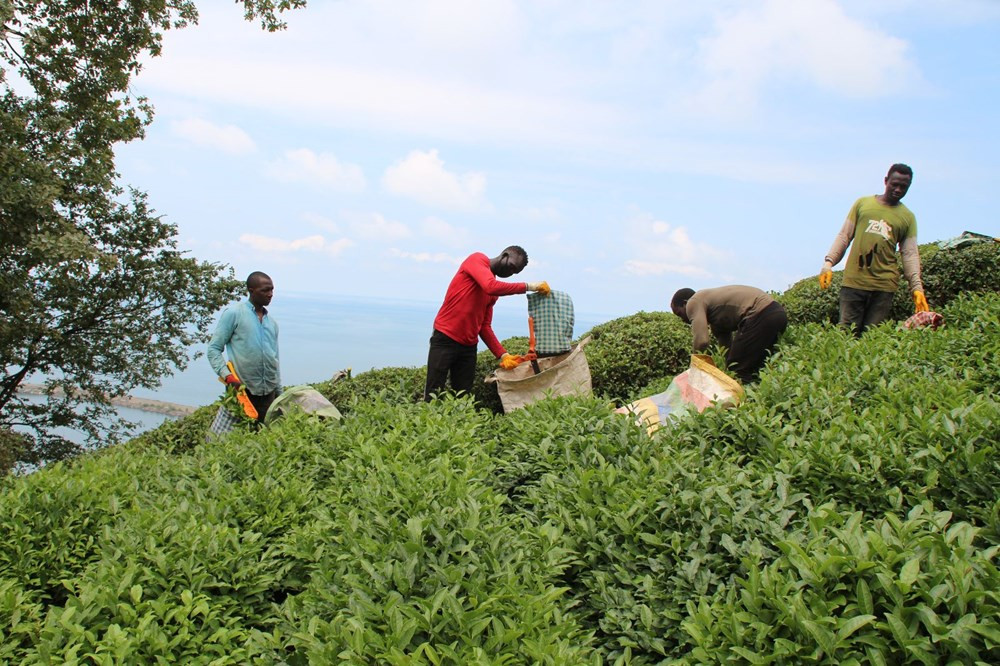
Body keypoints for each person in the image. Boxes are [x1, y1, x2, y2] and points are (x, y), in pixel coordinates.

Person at [424, 246, 549, 401]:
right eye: (511, 267)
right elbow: (490, 286)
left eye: (514, 272)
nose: (510, 274)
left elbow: (484, 327)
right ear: (504, 255)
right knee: (433, 393)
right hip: (445, 338)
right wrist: (529, 286)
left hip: (468, 348)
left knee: (462, 398)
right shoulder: (477, 260)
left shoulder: (493, 293)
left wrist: (503, 355)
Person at [818, 163, 929, 336]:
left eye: (904, 187)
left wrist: (917, 288)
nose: (898, 190)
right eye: (895, 184)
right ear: (886, 181)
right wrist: (828, 262)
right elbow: (844, 236)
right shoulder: (863, 204)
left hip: (884, 287)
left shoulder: (907, 217)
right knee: (845, 333)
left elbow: (909, 254)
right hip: (854, 282)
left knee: (872, 336)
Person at [670, 285, 788, 384]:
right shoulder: (716, 314)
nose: (682, 319)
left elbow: (702, 341)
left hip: (761, 313)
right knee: (754, 367)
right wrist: (726, 371)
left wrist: (695, 369)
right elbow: (727, 349)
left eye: (679, 314)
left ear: (685, 304)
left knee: (738, 371)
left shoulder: (694, 301)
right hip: (777, 313)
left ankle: (744, 406)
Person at [207, 271, 280, 423]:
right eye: (265, 290)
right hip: (241, 390)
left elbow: (275, 359)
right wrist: (228, 377)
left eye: (272, 289)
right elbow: (213, 349)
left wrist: (279, 392)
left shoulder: (272, 323)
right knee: (238, 436)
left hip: (269, 393)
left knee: (264, 437)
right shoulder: (234, 314)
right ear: (251, 291)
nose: (270, 294)